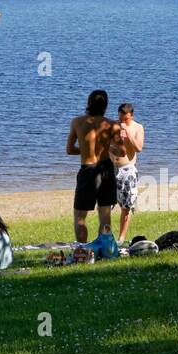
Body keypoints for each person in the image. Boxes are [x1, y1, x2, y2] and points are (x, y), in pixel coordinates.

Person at [67, 90, 120, 242]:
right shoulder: (112, 125)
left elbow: (70, 150)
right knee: (105, 214)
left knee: (80, 215)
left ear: (89, 103)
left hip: (88, 170)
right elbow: (122, 151)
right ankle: (104, 248)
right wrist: (108, 148)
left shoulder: (77, 122)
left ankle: (82, 250)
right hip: (106, 170)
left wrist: (84, 150)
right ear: (106, 105)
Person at [111, 102, 144, 243]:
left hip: (128, 169)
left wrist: (127, 134)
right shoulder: (113, 126)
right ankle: (106, 236)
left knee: (126, 206)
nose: (122, 122)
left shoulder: (137, 127)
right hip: (112, 169)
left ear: (132, 116)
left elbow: (138, 148)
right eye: (120, 119)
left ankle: (121, 238)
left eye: (125, 119)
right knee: (106, 205)